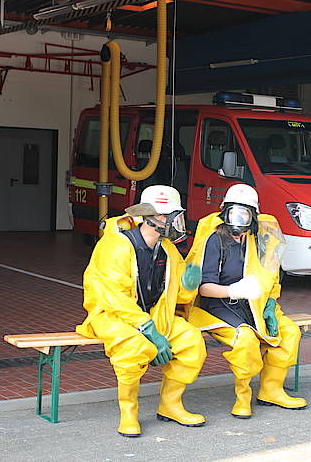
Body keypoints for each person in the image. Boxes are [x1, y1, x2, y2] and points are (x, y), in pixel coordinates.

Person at [76, 185, 207, 437]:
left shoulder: (167, 249)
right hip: (111, 316)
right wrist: (149, 331)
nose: (177, 223)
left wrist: (188, 285)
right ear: (155, 217)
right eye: (172, 217)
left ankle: (170, 405)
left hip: (152, 315)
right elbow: (113, 297)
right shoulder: (115, 245)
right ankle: (128, 413)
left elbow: (176, 296)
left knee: (191, 340)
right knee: (135, 347)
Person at [185, 183, 306, 419]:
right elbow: (204, 288)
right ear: (225, 212)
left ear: (253, 216)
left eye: (245, 214)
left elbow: (271, 275)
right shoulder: (215, 240)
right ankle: (243, 396)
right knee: (246, 338)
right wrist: (233, 291)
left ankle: (271, 390)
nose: (238, 221)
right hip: (220, 304)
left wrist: (270, 302)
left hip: (254, 304)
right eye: (233, 213)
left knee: (290, 332)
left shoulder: (259, 239)